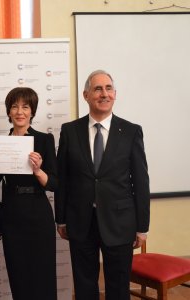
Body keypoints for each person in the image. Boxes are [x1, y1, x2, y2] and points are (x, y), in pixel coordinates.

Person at [55, 70, 150, 300]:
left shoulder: (131, 131)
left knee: (118, 287)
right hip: (80, 221)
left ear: (115, 94)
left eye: (108, 88)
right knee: (85, 284)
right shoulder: (69, 131)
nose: (104, 94)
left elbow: (141, 180)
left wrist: (142, 226)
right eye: (98, 89)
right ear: (86, 95)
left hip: (120, 223)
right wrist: (61, 218)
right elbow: (62, 178)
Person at [1, 87, 58, 300]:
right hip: (12, 213)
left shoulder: (44, 140)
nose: (19, 111)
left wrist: (37, 170)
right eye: (14, 106)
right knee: (18, 275)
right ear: (8, 111)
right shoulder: (0, 143)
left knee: (43, 275)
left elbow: (54, 183)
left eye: (25, 106)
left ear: (32, 111)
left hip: (38, 213)